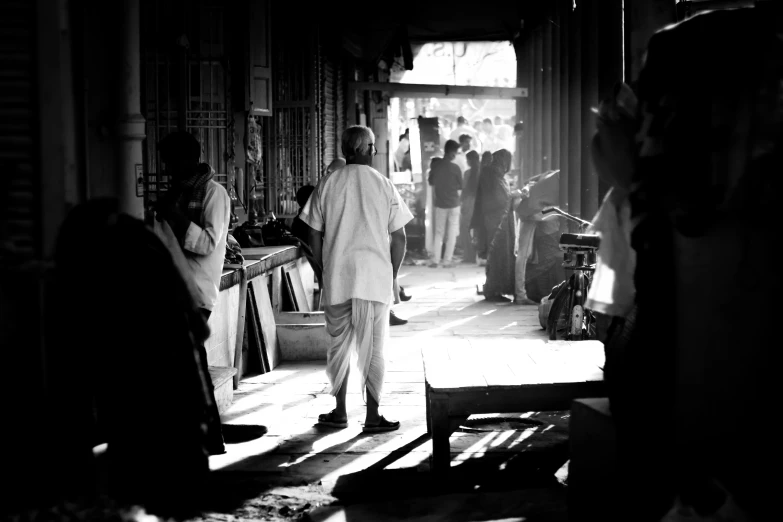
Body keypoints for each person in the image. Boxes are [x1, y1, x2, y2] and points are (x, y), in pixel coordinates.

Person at [153, 131, 266, 452]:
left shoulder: (213, 195)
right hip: (173, 287)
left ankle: (211, 436)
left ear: (188, 159)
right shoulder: (176, 195)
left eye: (171, 163)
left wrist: (174, 216)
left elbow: (207, 243)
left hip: (196, 289)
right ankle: (204, 433)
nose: (168, 170)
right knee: (187, 369)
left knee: (194, 369)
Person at [301, 125, 413, 432]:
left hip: (338, 278)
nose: (374, 153)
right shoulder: (383, 184)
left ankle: (339, 413)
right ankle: (373, 417)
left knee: (338, 346)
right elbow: (400, 237)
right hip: (375, 279)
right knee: (373, 348)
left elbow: (312, 232)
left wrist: (323, 271)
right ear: (363, 150)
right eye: (373, 148)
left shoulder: (328, 183)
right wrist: (392, 274)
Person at [472, 149, 518, 301]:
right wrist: (513, 196)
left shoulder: (493, 174)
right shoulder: (492, 174)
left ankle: (495, 289)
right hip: (496, 222)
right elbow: (499, 199)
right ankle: (494, 290)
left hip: (496, 220)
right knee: (498, 255)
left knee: (498, 255)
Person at [428, 139, 463, 268]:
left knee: (439, 232)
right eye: (456, 152)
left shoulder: (436, 166)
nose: (456, 155)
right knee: (452, 233)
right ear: (451, 152)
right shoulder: (455, 168)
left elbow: (431, 181)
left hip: (440, 204)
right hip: (454, 204)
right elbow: (461, 185)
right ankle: (447, 261)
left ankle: (436, 260)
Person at [460, 150, 481, 264]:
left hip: (468, 203)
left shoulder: (467, 173)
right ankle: (478, 255)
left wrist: (461, 203)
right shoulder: (482, 172)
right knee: (477, 231)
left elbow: (464, 190)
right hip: (479, 203)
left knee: (465, 230)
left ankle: (468, 256)